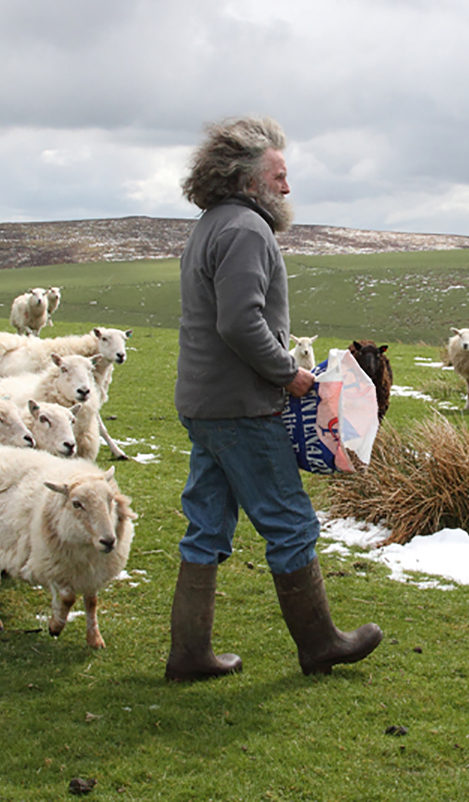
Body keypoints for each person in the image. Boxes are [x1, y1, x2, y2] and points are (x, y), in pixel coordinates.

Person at [167, 116, 382, 681]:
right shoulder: (245, 230)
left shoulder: (212, 223)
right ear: (246, 179)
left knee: (207, 526)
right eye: (279, 175)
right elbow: (240, 322)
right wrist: (289, 374)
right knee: (289, 522)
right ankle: (319, 644)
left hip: (205, 403)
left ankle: (189, 654)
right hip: (241, 406)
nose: (287, 187)